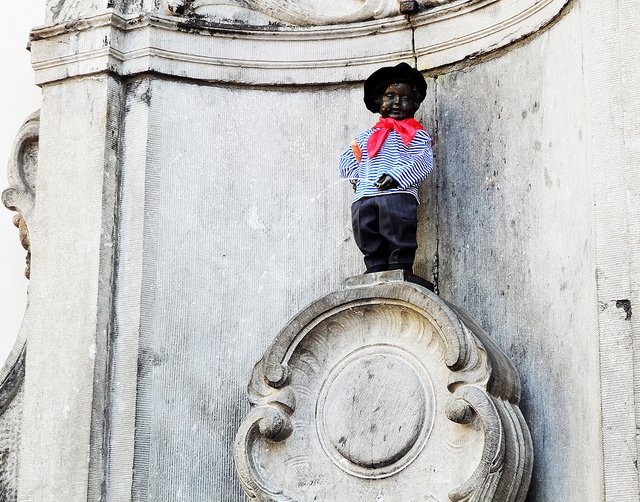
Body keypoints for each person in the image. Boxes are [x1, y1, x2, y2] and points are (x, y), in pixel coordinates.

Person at [339, 62, 434, 274]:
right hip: (365, 195)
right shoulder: (366, 136)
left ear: (415, 104)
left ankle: (400, 266)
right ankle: (375, 266)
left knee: (399, 230)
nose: (397, 103)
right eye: (390, 96)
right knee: (365, 230)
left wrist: (396, 177)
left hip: (397, 194)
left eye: (405, 98)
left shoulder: (416, 135)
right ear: (378, 100)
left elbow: (423, 161)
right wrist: (354, 176)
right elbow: (347, 157)